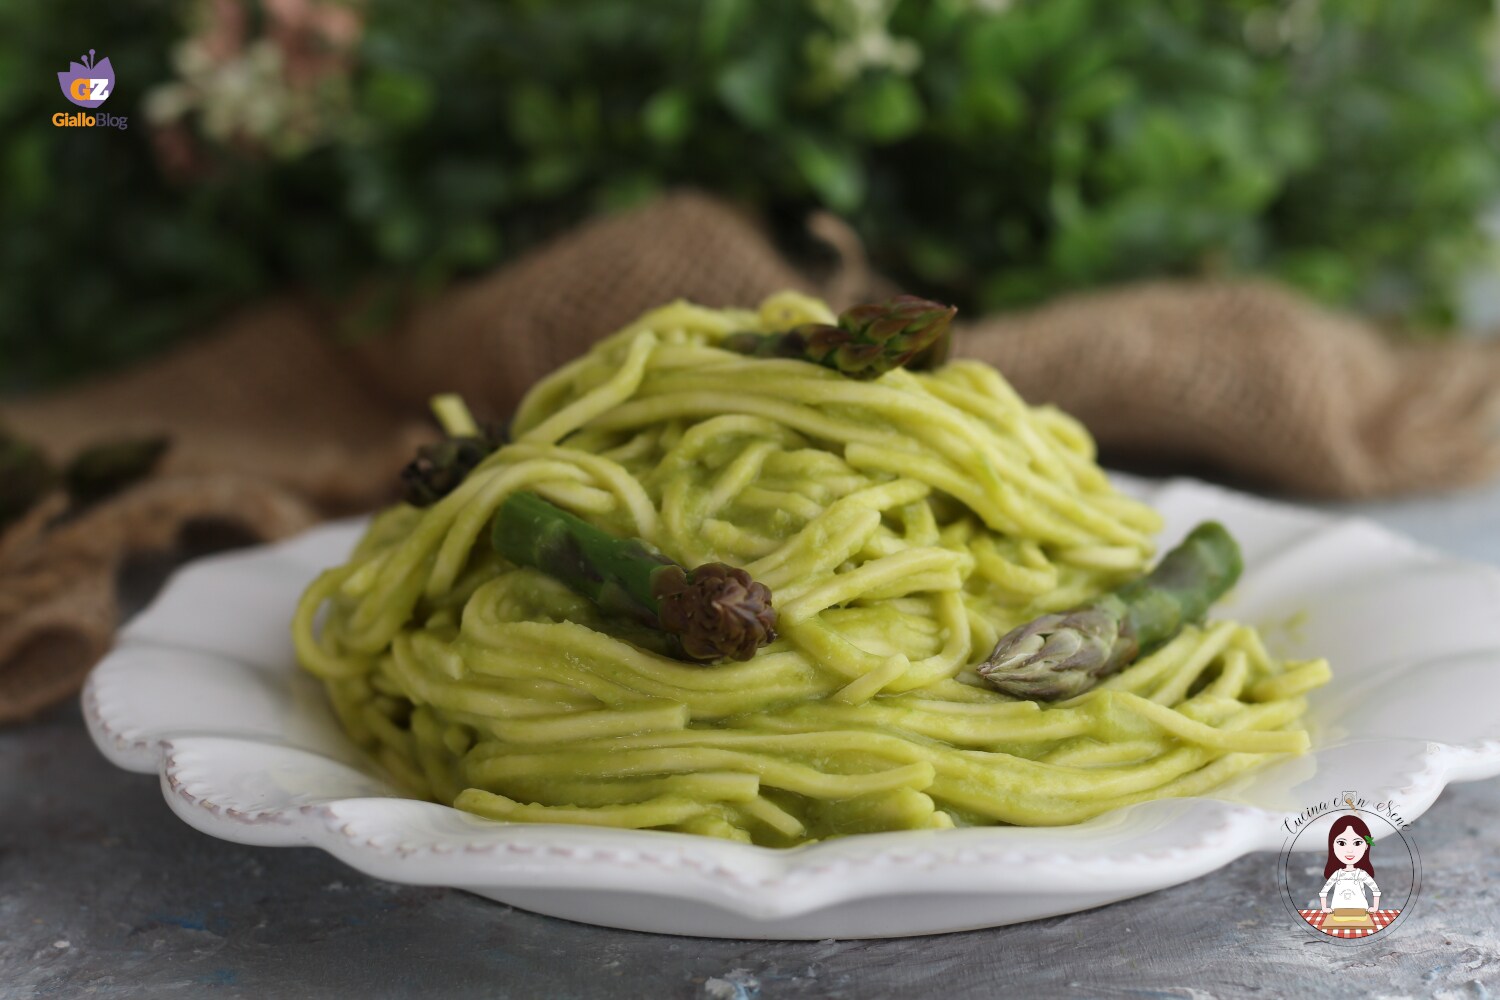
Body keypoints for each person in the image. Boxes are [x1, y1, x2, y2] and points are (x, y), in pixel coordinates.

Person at [1319, 815, 1381, 916]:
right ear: (1332, 845)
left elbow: (1376, 890)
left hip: (1360, 912)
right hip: (1338, 912)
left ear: (1366, 846)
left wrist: (1375, 907)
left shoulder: (1361, 874)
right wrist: (1325, 908)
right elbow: (1323, 892)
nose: (1349, 850)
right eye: (1342, 843)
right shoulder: (1337, 874)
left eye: (1357, 843)